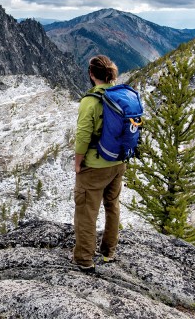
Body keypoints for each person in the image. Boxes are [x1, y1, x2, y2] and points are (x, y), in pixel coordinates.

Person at [73, 55, 126, 272]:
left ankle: (84, 259)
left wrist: (78, 162)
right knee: (112, 206)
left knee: (86, 211)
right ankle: (108, 252)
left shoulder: (91, 100)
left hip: (95, 165)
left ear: (91, 74)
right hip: (119, 162)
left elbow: (83, 134)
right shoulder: (122, 95)